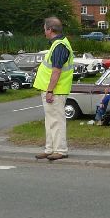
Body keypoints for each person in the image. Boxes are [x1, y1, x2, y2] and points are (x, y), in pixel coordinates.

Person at [34, 17, 74, 162]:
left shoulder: (59, 46)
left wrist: (50, 90)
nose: (44, 31)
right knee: (50, 120)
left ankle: (60, 150)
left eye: (45, 29)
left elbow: (56, 71)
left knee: (56, 120)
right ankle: (50, 149)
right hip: (52, 90)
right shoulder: (59, 44)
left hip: (55, 91)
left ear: (50, 30)